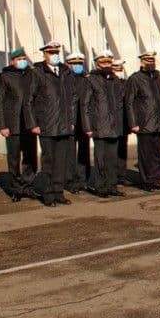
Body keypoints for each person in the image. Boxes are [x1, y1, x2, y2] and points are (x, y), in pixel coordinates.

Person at [28, 41, 76, 206]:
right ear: (44, 54)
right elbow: (29, 101)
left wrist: (71, 121)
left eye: (56, 52)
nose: (54, 55)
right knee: (48, 162)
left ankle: (58, 192)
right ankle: (48, 194)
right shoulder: (38, 73)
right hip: (47, 124)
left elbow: (71, 99)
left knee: (61, 161)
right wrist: (33, 123)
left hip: (63, 124)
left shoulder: (65, 72)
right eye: (51, 53)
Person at [0, 47, 37, 202]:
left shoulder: (31, 74)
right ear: (13, 61)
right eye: (19, 59)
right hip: (13, 124)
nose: (22, 61)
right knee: (14, 158)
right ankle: (16, 189)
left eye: (24, 58)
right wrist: (1, 125)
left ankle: (28, 186)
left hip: (29, 123)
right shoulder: (5, 77)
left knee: (30, 156)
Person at [125, 51, 160, 191]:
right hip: (144, 122)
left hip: (158, 122)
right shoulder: (135, 79)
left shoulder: (158, 78)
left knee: (156, 153)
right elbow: (129, 102)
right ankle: (146, 181)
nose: (150, 63)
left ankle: (155, 179)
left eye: (152, 60)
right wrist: (133, 123)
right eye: (147, 60)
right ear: (142, 62)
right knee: (145, 154)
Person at [83, 50, 124, 198]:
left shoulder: (114, 80)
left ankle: (112, 186)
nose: (107, 65)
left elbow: (119, 103)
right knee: (100, 159)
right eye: (104, 63)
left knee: (112, 159)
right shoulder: (91, 80)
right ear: (97, 64)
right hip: (99, 126)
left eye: (109, 62)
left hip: (114, 126)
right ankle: (100, 186)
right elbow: (85, 105)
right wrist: (87, 127)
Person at [64, 52, 90, 195]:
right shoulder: (65, 79)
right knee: (70, 153)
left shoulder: (86, 79)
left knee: (84, 152)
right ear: (68, 64)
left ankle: (83, 179)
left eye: (80, 63)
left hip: (83, 121)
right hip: (70, 121)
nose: (78, 66)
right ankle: (70, 181)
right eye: (74, 63)